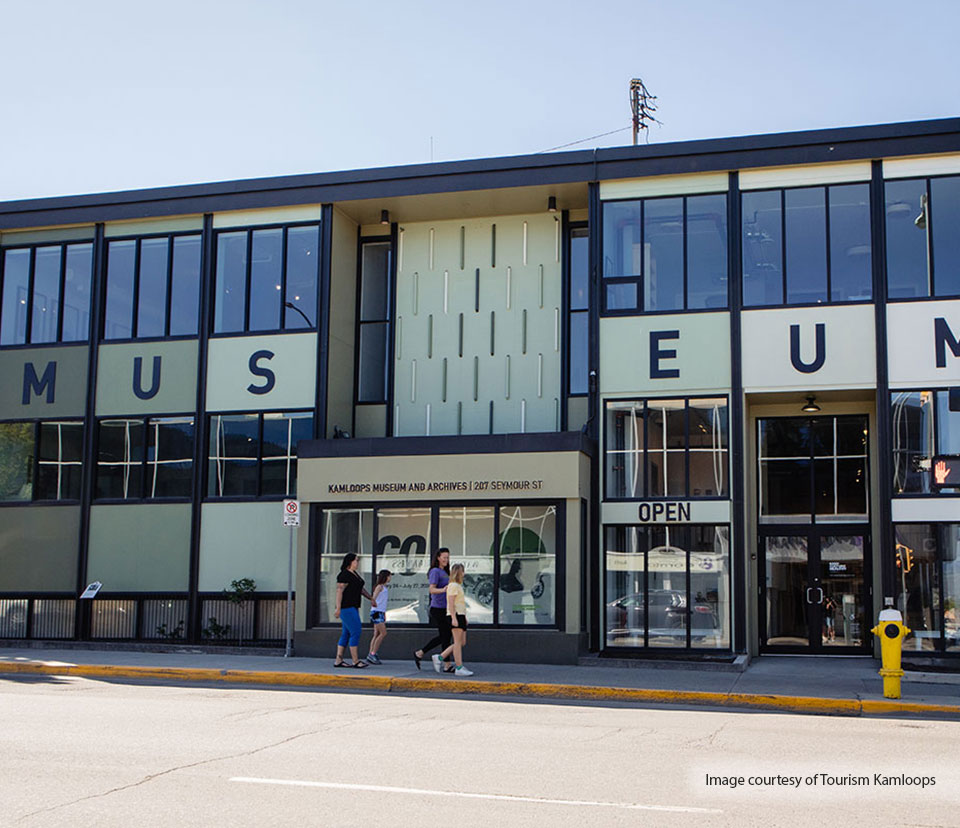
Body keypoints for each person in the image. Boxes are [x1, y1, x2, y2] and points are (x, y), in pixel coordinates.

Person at [334, 552, 374, 668]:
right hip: (346, 607)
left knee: (346, 633)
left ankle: (338, 660)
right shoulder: (344, 575)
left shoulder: (355, 574)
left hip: (354, 606)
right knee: (356, 631)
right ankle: (355, 661)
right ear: (350, 562)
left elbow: (360, 589)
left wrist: (370, 598)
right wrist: (338, 608)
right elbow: (339, 591)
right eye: (356, 560)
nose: (357, 562)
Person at [435, 563, 473, 676]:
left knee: (462, 642)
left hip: (460, 615)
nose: (464, 573)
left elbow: (459, 603)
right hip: (455, 615)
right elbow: (451, 604)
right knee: (457, 643)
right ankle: (459, 667)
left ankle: (440, 657)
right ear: (459, 572)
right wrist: (453, 618)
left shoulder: (457, 585)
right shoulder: (453, 586)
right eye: (462, 571)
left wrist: (464, 617)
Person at [366, 569, 391, 664]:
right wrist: (374, 603)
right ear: (385, 577)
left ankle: (371, 653)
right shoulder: (379, 587)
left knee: (376, 634)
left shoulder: (384, 587)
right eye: (389, 576)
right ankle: (372, 653)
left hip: (380, 612)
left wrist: (384, 613)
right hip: (376, 612)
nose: (390, 578)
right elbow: (373, 598)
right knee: (383, 633)